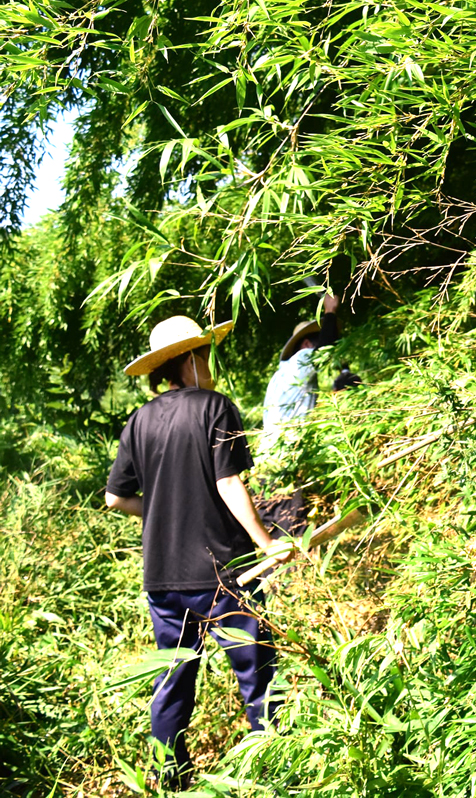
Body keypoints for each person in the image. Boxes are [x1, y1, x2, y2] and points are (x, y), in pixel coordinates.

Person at [104, 315, 290, 791]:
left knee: (172, 677)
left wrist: (162, 509)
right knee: (258, 675)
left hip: (163, 576)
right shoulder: (215, 407)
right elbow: (228, 482)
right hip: (223, 572)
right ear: (189, 359)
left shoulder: (138, 420)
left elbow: (116, 498)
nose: (209, 363)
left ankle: (170, 777)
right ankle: (272, 768)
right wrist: (268, 543)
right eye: (204, 354)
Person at [256, 293, 341, 540]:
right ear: (305, 344)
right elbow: (326, 348)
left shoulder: (285, 374)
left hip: (268, 465)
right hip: (283, 462)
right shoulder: (302, 358)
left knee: (281, 535)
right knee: (291, 536)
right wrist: (330, 312)